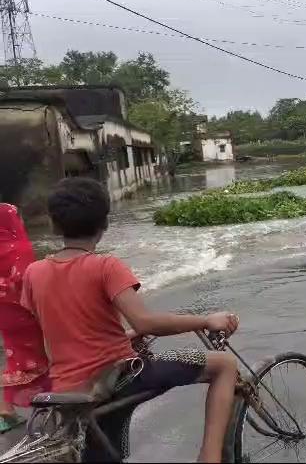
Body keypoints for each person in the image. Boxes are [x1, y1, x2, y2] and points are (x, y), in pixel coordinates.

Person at [21, 178, 239, 463]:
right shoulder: (106, 266)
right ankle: (210, 457)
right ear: (105, 225)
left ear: (54, 225)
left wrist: (120, 338)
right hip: (118, 379)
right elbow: (145, 323)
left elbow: (56, 333)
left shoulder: (34, 272)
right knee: (225, 365)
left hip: (67, 389)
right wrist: (206, 320)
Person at [0, 204, 49, 434]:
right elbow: (27, 280)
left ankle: (6, 407)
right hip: (21, 308)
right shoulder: (17, 248)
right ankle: (51, 398)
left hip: (3, 312)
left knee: (15, 354)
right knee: (41, 350)